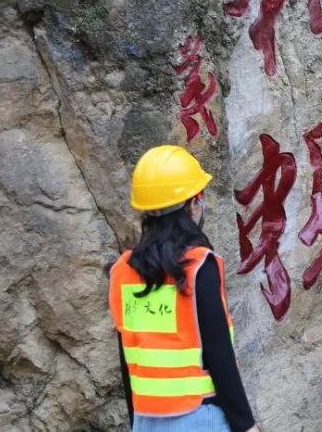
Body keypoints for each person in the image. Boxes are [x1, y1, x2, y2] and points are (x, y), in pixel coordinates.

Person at [108, 145, 260, 432]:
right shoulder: (199, 267)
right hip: (200, 417)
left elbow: (128, 364)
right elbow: (219, 355)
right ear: (193, 203)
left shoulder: (122, 271)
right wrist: (246, 425)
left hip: (145, 420)